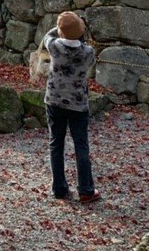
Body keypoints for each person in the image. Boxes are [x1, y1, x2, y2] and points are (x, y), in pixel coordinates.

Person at [43, 11, 100, 204]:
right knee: (81, 146)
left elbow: (47, 36)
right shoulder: (88, 52)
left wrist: (60, 28)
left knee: (56, 144)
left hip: (54, 100)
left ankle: (59, 189)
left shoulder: (55, 47)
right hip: (77, 103)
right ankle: (86, 190)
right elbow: (90, 59)